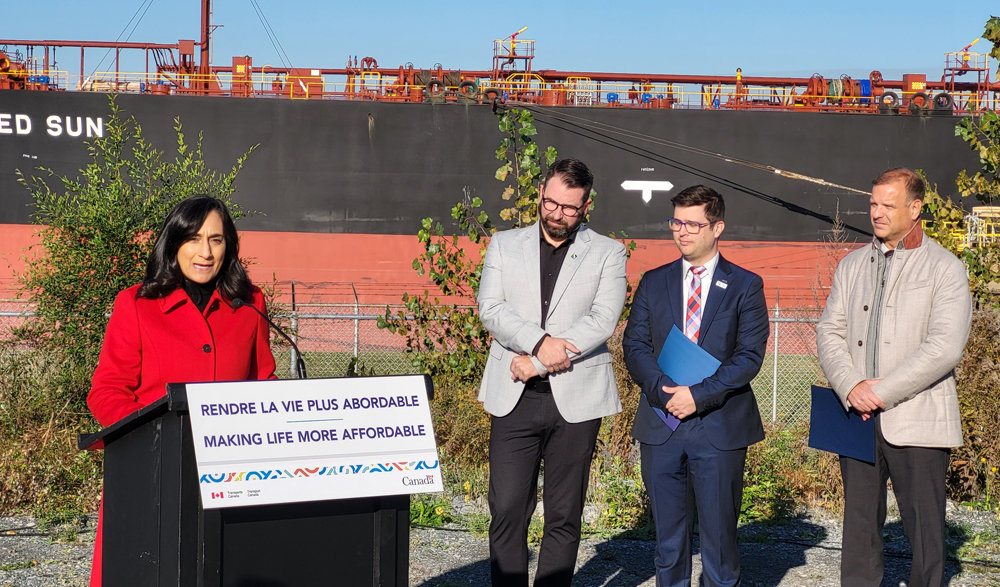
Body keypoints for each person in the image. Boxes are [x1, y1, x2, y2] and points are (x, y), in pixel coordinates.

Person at [87, 195, 277, 586]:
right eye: (193, 238)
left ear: (230, 246)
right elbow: (107, 390)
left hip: (231, 476)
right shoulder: (136, 305)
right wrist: (152, 443)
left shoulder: (250, 303)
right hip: (151, 473)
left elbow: (264, 384)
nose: (205, 252)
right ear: (173, 244)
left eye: (216, 240)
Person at [816, 167, 971, 587]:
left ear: (915, 208)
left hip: (918, 420)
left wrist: (879, 392)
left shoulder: (946, 268)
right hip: (856, 419)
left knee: (925, 533)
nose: (877, 213)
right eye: (873, 204)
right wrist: (851, 386)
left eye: (888, 205)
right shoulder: (850, 266)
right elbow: (828, 331)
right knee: (860, 528)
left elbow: (944, 348)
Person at [477, 158, 627, 587]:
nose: (557, 214)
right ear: (540, 192)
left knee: (564, 514)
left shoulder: (608, 252)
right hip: (513, 394)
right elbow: (491, 308)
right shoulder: (505, 244)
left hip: (576, 400)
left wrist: (539, 362)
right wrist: (541, 343)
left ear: (587, 206)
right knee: (506, 508)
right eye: (551, 203)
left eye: (570, 208)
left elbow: (603, 321)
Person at [623, 185, 769, 587]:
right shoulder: (653, 282)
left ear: (717, 227)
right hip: (661, 421)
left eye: (692, 223)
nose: (681, 231)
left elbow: (748, 357)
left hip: (718, 425)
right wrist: (664, 392)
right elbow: (634, 346)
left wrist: (697, 396)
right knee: (668, 543)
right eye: (676, 222)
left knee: (720, 544)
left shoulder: (745, 285)